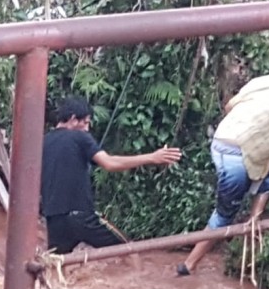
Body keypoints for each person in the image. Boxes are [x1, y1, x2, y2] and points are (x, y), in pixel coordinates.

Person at [176, 53, 269, 276]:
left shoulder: (259, 82)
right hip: (238, 155)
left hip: (220, 143)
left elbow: (229, 106)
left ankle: (254, 219)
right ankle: (188, 266)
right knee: (224, 216)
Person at [41, 96, 183, 254]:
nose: (87, 128)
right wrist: (152, 157)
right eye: (86, 122)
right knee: (129, 250)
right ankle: (136, 278)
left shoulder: (43, 142)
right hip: (81, 215)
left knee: (57, 264)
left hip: (54, 218)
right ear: (74, 119)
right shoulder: (80, 137)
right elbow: (110, 163)